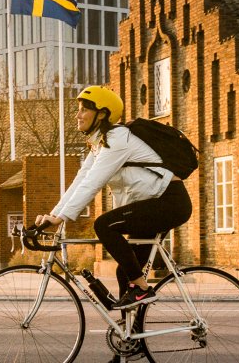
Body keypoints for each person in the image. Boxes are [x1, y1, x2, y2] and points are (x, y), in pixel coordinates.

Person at [34, 86, 192, 310]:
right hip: (155, 203)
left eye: (83, 110)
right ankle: (132, 339)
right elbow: (81, 179)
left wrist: (61, 218)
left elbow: (93, 183)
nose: (77, 115)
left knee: (104, 225)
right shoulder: (100, 144)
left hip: (169, 202)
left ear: (102, 114)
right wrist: (54, 214)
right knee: (125, 270)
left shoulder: (118, 139)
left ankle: (142, 290)